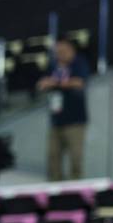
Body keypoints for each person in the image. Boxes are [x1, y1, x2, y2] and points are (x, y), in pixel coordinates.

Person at [37, 36, 90, 181]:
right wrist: (49, 83)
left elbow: (79, 82)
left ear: (71, 50)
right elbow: (42, 84)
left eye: (63, 51)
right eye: (57, 51)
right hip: (56, 120)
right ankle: (55, 194)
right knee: (53, 158)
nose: (60, 54)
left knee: (75, 159)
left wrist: (55, 82)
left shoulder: (79, 63)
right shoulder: (53, 66)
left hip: (75, 121)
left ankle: (75, 193)